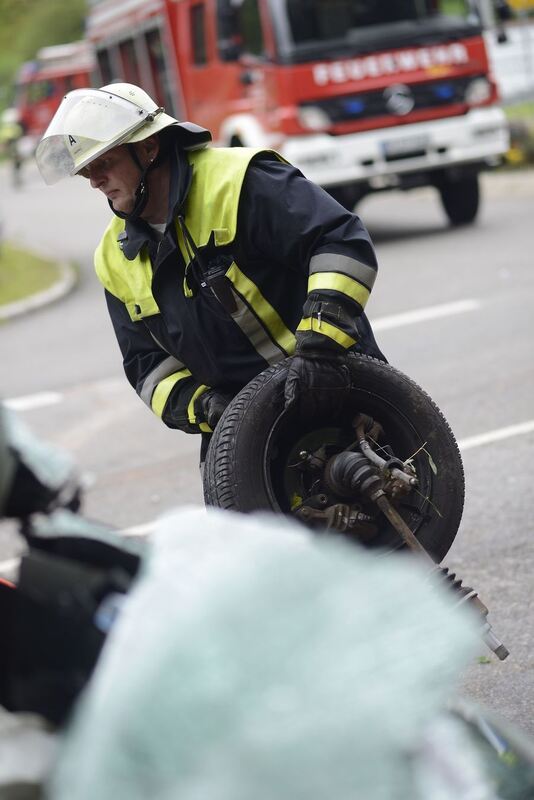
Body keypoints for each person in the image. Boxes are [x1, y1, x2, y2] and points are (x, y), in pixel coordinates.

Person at [36, 83, 385, 465]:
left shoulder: (241, 181)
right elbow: (147, 366)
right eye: (85, 171)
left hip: (336, 381)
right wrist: (207, 408)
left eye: (102, 162)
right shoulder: (113, 257)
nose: (94, 180)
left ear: (148, 148)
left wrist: (320, 347)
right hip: (243, 429)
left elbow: (338, 241)